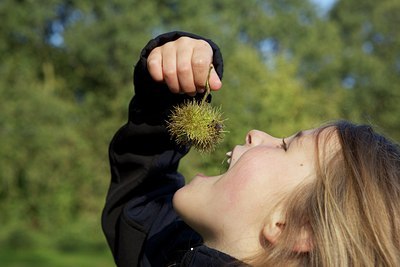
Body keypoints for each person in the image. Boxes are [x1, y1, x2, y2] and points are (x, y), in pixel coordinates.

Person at [101, 31, 400, 267]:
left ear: (293, 227)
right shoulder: (167, 253)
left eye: (284, 147)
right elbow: (139, 201)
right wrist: (170, 92)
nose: (255, 134)